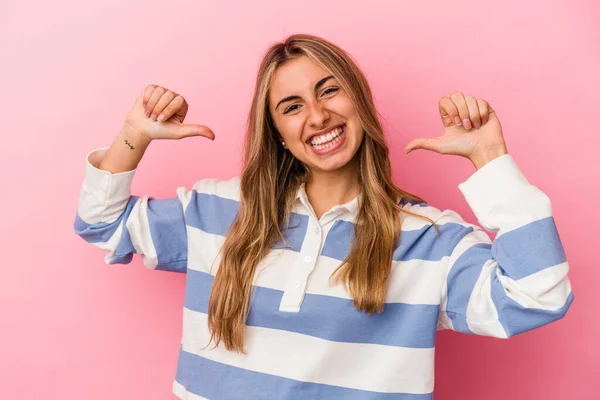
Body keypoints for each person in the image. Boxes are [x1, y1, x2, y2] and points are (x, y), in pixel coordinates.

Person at [74, 33, 574, 399]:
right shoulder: (218, 210)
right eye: (291, 106)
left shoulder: (430, 239)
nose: (316, 116)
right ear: (277, 132)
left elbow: (538, 297)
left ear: (358, 98)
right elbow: (102, 224)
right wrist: (133, 133)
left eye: (329, 90)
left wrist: (490, 160)